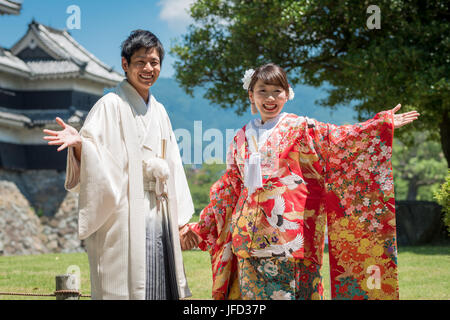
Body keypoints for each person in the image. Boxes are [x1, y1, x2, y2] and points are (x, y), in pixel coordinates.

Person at [181, 63, 419, 300]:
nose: (270, 97)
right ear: (251, 95)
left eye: (277, 90)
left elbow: (339, 139)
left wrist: (379, 126)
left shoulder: (301, 128)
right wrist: (199, 229)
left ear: (287, 93)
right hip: (247, 243)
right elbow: (228, 190)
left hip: (292, 240)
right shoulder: (240, 138)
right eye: (262, 90)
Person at [43, 30, 195, 300]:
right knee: (125, 283)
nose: (148, 68)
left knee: (160, 280)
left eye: (154, 62)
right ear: (125, 65)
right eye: (140, 62)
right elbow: (96, 156)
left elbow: (173, 163)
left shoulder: (159, 111)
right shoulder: (109, 105)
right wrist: (80, 146)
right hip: (124, 212)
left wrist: (181, 220)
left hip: (159, 209)